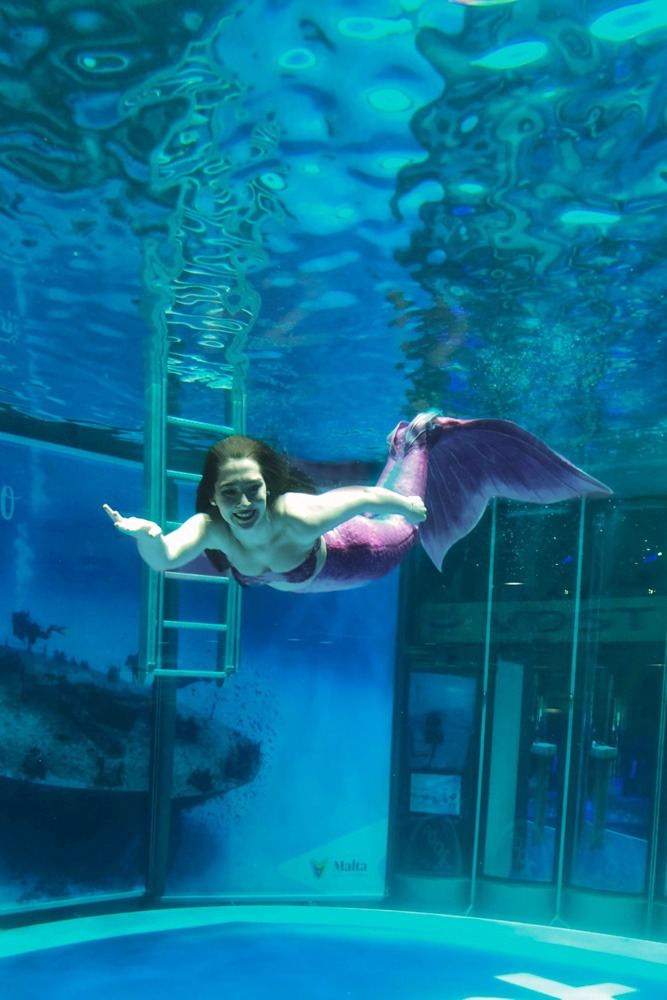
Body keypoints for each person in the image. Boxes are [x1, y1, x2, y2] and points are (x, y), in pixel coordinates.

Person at [103, 411, 611, 593]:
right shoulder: (210, 528)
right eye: (229, 492)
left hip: (369, 552)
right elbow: (165, 559)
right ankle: (403, 450)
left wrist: (411, 511)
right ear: (213, 497)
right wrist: (148, 536)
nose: (243, 502)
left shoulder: (295, 514)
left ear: (269, 489)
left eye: (252, 489)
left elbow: (364, 498)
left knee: (400, 492)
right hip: (314, 569)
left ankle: (417, 436)